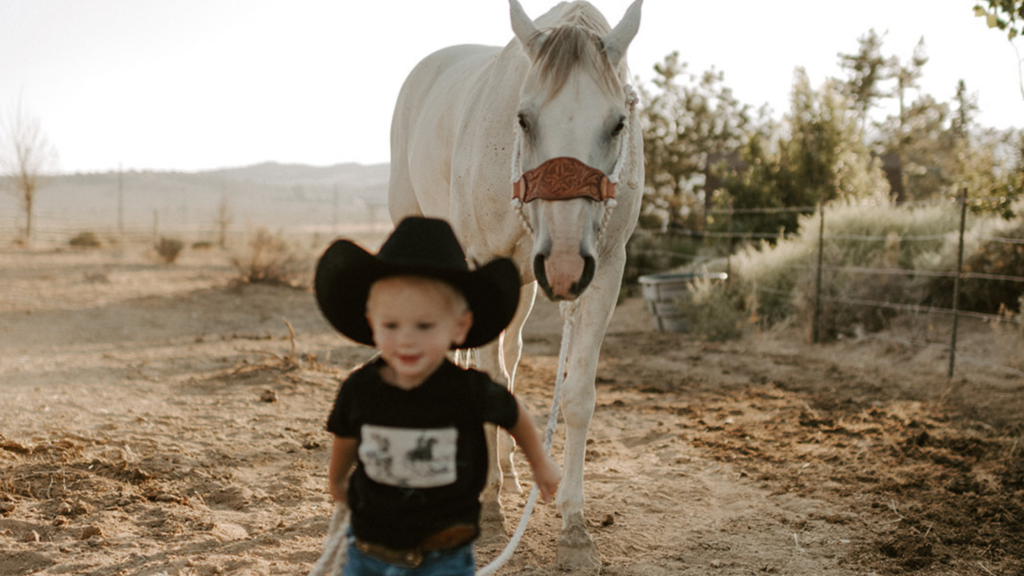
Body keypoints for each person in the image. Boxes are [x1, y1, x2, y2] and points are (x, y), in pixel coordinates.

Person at [314, 216, 561, 575]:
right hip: (370, 550)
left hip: (445, 553)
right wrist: (337, 480)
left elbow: (513, 414)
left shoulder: (467, 390)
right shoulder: (361, 388)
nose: (407, 339)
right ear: (371, 322)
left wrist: (540, 463)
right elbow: (347, 435)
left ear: (459, 326)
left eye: (425, 326)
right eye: (391, 325)